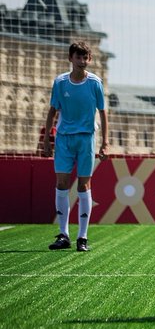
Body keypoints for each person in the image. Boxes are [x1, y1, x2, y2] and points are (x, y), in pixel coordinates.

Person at [40, 41, 108, 252]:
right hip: (63, 139)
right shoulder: (60, 83)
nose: (81, 61)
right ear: (71, 59)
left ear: (89, 59)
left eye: (85, 57)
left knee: (84, 185)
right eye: (77, 57)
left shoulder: (95, 83)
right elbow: (53, 111)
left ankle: (83, 237)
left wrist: (105, 142)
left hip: (86, 138)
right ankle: (63, 235)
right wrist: (46, 140)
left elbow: (103, 113)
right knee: (62, 183)